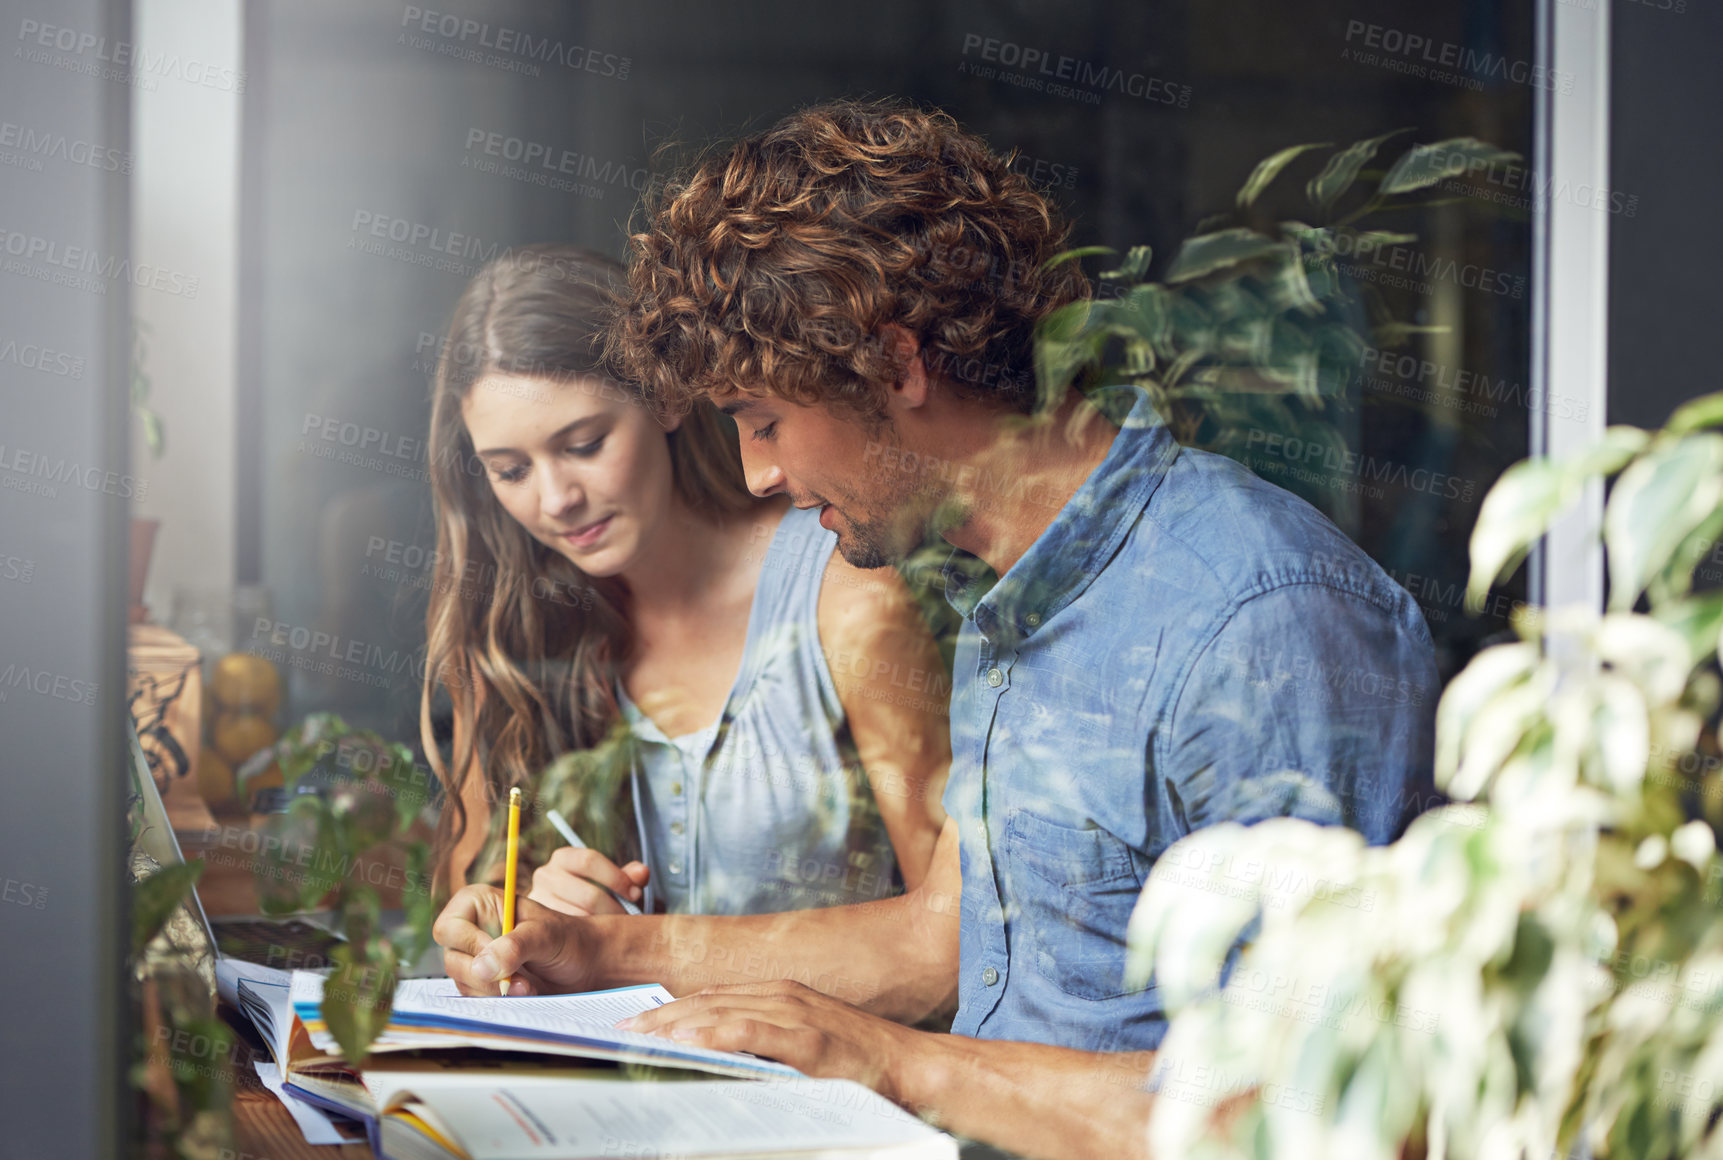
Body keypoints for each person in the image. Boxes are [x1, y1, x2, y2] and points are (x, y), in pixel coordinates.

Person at [431, 104, 1439, 1159]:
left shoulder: (1262, 621)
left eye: (764, 421)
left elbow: (1340, 1114)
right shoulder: (1008, 596)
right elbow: (938, 937)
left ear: (897, 364)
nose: (758, 474)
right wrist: (600, 952)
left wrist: (895, 1060)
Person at [418, 244, 950, 922]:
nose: (555, 501)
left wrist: (628, 951)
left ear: (665, 399)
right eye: (510, 471)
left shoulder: (847, 600)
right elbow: (465, 910)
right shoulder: (507, 631)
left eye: (583, 445)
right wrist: (503, 926)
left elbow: (953, 941)